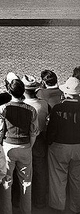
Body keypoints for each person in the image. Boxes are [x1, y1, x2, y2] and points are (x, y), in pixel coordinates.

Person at [0, 78, 39, 214]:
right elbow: (34, 131)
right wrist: (29, 146)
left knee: (7, 181)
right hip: (25, 146)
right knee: (26, 182)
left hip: (8, 146)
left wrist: (1, 146)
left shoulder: (3, 108)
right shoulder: (31, 110)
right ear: (23, 91)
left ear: (9, 91)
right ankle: (26, 211)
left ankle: (6, 211)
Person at [46, 76, 80, 213]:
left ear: (66, 93)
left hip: (60, 146)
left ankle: (58, 206)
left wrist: (48, 142)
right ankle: (75, 207)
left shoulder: (58, 108)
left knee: (58, 178)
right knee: (76, 178)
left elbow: (52, 130)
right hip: (78, 146)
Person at [21, 75, 49, 209]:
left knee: (22, 171)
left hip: (25, 140)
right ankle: (40, 201)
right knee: (40, 171)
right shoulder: (43, 103)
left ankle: (22, 201)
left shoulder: (22, 105)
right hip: (40, 139)